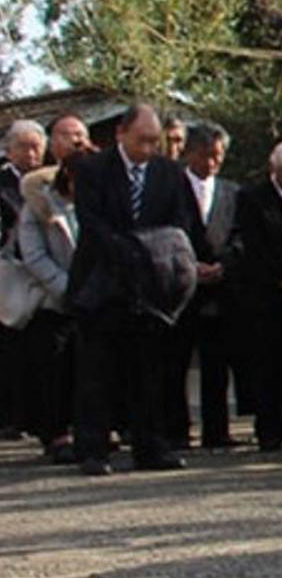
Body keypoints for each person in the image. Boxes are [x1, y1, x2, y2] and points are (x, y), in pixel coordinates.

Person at [69, 104, 201, 476]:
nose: (147, 148)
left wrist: (155, 256)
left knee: (148, 372)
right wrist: (132, 251)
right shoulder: (93, 169)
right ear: (120, 134)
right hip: (102, 282)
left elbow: (179, 223)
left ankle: (150, 446)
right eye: (141, 140)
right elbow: (91, 222)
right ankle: (93, 449)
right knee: (97, 372)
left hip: (150, 288)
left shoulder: (168, 173)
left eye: (153, 141)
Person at [165, 122, 242, 450]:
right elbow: (164, 232)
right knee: (176, 362)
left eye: (218, 156)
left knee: (217, 364)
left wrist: (225, 264)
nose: (211, 163)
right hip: (181, 288)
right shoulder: (170, 188)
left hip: (220, 290)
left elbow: (240, 234)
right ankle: (176, 430)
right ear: (190, 153)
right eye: (205, 155)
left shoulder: (232, 191)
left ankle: (218, 430)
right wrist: (189, 266)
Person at [15, 146, 91, 463]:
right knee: (53, 369)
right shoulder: (38, 205)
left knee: (86, 370)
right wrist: (66, 290)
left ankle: (88, 431)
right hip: (51, 301)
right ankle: (56, 435)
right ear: (69, 177)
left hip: (91, 299)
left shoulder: (96, 203)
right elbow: (33, 256)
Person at [236, 140, 282, 452]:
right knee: (269, 365)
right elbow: (253, 246)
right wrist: (281, 277)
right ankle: (269, 428)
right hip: (268, 293)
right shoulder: (253, 199)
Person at [1, 119, 47, 441]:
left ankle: (38, 416)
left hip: (45, 274)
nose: (31, 153)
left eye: (36, 147)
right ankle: (10, 417)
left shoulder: (50, 181)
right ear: (9, 149)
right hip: (11, 274)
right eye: (24, 147)